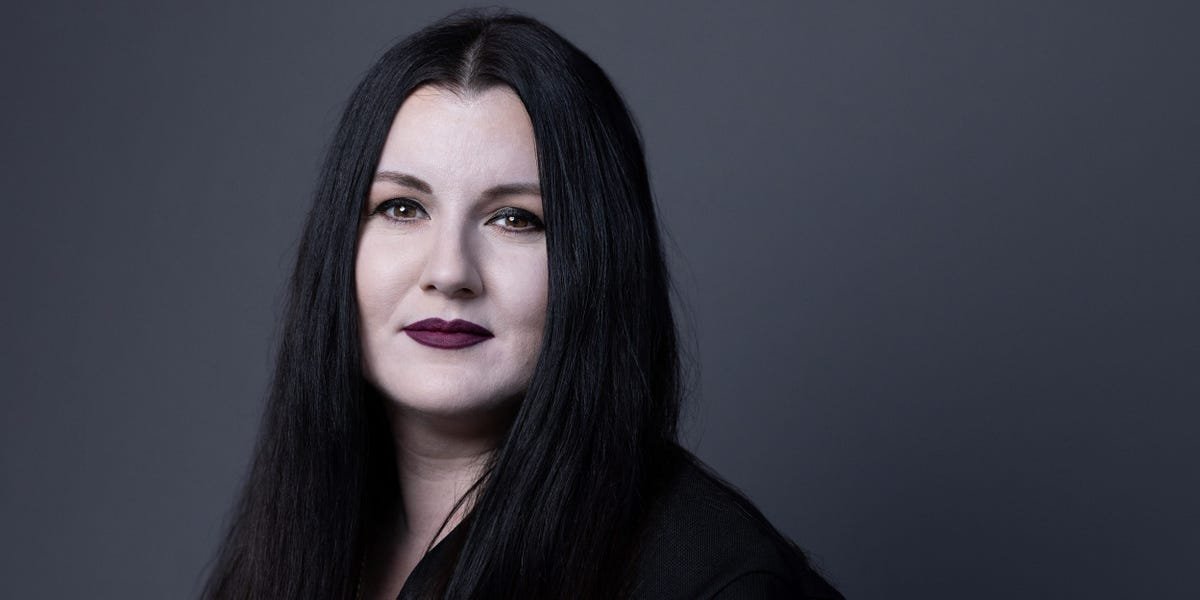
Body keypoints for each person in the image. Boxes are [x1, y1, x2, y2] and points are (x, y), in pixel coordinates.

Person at [203, 9, 842, 600]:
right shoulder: (290, 546)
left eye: (515, 218)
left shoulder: (714, 582)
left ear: (597, 261)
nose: (449, 272)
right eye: (402, 208)